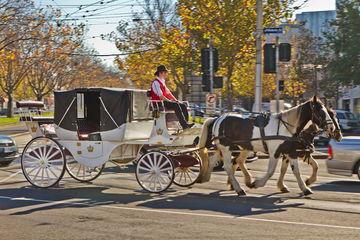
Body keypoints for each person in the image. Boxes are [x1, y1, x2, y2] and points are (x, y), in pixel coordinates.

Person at [149, 65, 194, 129]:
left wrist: (176, 100)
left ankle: (186, 124)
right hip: (158, 103)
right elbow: (161, 96)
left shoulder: (162, 82)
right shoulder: (156, 83)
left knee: (183, 105)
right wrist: (170, 101)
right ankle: (184, 126)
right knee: (175, 105)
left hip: (164, 102)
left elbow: (169, 93)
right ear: (160, 73)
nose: (166, 74)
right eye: (165, 73)